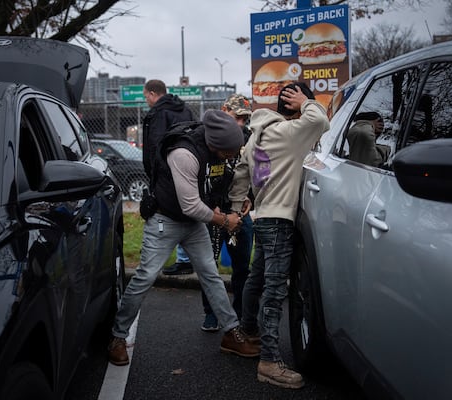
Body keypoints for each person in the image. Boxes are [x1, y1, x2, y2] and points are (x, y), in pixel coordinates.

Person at [108, 109, 260, 366]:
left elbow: (219, 184)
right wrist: (225, 221)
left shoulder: (219, 152)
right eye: (230, 152)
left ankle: (230, 333)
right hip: (165, 220)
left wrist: (242, 199)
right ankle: (118, 337)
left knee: (211, 275)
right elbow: (190, 205)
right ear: (216, 145)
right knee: (145, 276)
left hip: (194, 223)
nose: (233, 156)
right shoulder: (184, 154)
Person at [229, 82, 330, 389]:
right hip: (280, 219)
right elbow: (320, 121)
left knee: (256, 278)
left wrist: (237, 209)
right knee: (274, 291)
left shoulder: (254, 139)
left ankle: (248, 332)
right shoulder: (290, 133)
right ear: (296, 106)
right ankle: (270, 361)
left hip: (263, 218)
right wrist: (307, 102)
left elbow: (240, 179)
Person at [199, 94, 254, 331]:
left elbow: (258, 171)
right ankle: (211, 313)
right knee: (209, 266)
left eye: (244, 118)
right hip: (215, 212)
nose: (240, 123)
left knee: (242, 266)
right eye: (237, 117)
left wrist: (251, 197)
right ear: (224, 110)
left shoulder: (251, 138)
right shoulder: (209, 137)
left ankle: (239, 312)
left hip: (239, 211)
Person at [142, 79, 196, 276]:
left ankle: (166, 258)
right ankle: (187, 258)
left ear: (153, 93)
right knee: (186, 210)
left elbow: (155, 145)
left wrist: (155, 172)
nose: (146, 100)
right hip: (188, 167)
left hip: (164, 173)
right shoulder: (184, 109)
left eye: (146, 95)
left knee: (163, 214)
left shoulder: (158, 113)